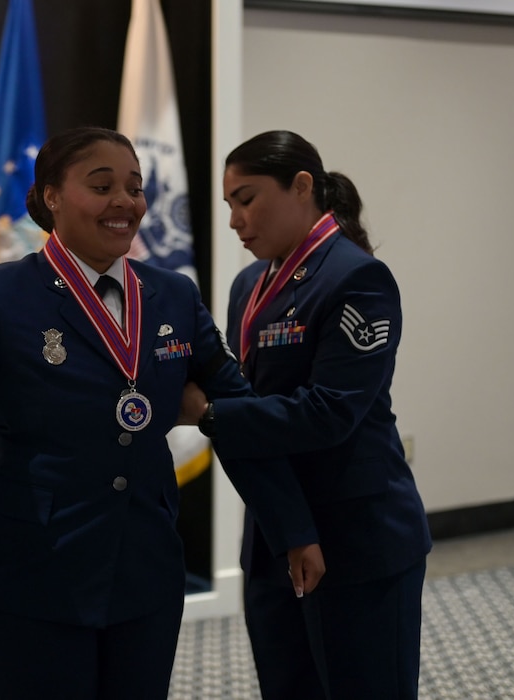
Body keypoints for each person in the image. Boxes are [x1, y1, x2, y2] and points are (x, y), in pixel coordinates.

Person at [0, 126, 325, 700]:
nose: (125, 202)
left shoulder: (173, 295)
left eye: (135, 187)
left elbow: (236, 409)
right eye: (102, 186)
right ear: (51, 196)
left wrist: (292, 527)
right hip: (26, 572)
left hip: (144, 571)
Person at [185, 130, 432, 699]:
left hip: (355, 536)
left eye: (247, 199)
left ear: (302, 186)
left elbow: (330, 412)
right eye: (228, 205)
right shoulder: (249, 283)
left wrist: (210, 415)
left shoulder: (356, 277)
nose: (235, 220)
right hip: (275, 531)